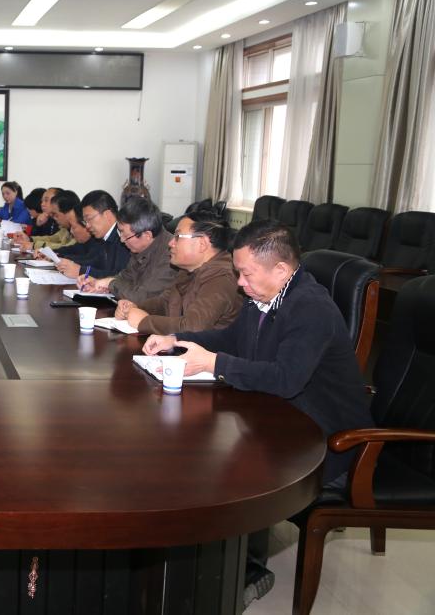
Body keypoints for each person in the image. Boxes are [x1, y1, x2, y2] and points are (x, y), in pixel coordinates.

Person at [143, 219, 374, 606]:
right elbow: (231, 339)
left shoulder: (310, 308)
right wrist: (177, 339)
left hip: (328, 440)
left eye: (246, 274)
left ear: (281, 270)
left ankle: (244, 572)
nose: (240, 284)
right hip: (282, 418)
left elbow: (285, 379)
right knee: (198, 444)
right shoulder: (265, 295)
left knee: (230, 467)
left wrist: (213, 363)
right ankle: (196, 563)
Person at [114, 211, 240, 334]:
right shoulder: (187, 271)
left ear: (202, 244)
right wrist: (134, 308)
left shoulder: (222, 278)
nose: (170, 243)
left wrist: (144, 322)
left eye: (178, 237)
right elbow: (165, 303)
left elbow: (193, 327)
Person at [79, 197, 176, 301]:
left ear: (147, 235)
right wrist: (100, 283)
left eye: (126, 235)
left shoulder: (171, 254)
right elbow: (126, 277)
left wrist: (110, 284)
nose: (121, 240)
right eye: (120, 232)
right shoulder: (140, 247)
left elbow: (143, 297)